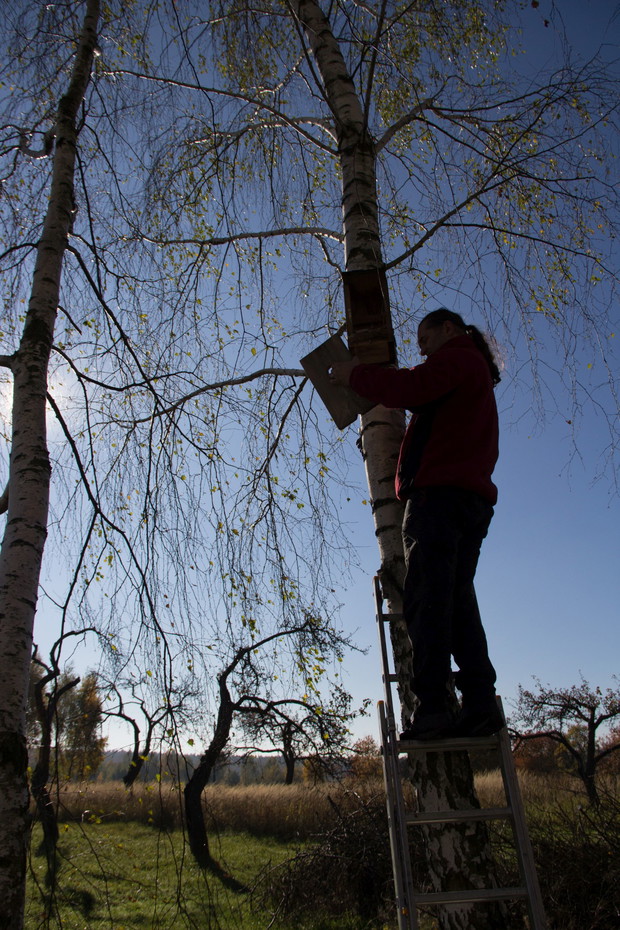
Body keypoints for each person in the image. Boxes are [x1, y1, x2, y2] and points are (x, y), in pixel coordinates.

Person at [330, 308, 503, 739]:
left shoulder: (457, 358)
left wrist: (355, 375)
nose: (422, 350)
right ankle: (480, 704)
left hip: (439, 499)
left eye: (425, 339)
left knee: (427, 600)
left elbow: (412, 387)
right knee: (456, 602)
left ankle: (433, 711)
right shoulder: (472, 371)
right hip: (469, 500)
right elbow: (420, 387)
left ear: (449, 328)